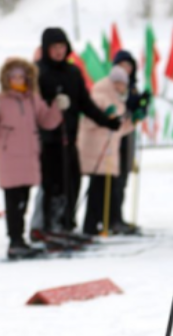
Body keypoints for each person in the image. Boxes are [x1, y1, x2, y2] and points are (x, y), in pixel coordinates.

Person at [34, 27, 120, 235]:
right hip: (48, 140)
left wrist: (107, 121)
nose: (58, 51)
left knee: (72, 182)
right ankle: (49, 225)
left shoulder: (73, 72)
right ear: (46, 49)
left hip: (70, 138)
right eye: (54, 47)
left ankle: (67, 223)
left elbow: (85, 103)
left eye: (62, 46)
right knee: (53, 185)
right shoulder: (38, 72)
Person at [0, 57, 64, 259]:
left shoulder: (33, 99)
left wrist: (57, 108)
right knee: (13, 201)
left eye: (21, 76)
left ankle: (19, 240)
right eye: (13, 76)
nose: (17, 79)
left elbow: (47, 122)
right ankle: (15, 240)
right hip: (9, 158)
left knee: (24, 200)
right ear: (6, 78)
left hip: (29, 156)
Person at [77, 66, 135, 236]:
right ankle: (91, 225)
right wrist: (106, 118)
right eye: (119, 83)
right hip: (97, 151)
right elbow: (90, 120)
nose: (122, 87)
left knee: (104, 190)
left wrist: (133, 122)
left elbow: (117, 128)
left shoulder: (115, 99)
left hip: (108, 151)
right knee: (97, 189)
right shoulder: (100, 95)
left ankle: (103, 223)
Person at [110, 50, 149, 235]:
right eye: (123, 65)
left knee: (124, 175)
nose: (127, 69)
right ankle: (112, 218)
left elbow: (136, 111)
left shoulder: (133, 87)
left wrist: (143, 105)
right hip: (116, 135)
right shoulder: (113, 86)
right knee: (115, 177)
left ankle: (119, 217)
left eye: (129, 65)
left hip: (129, 133)